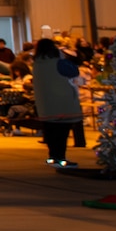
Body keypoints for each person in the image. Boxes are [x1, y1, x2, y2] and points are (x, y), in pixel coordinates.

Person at [32, 36, 82, 166]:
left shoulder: (37, 64)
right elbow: (74, 71)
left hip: (45, 104)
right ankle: (61, 158)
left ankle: (52, 156)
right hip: (62, 102)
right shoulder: (58, 62)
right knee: (62, 132)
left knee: (50, 131)